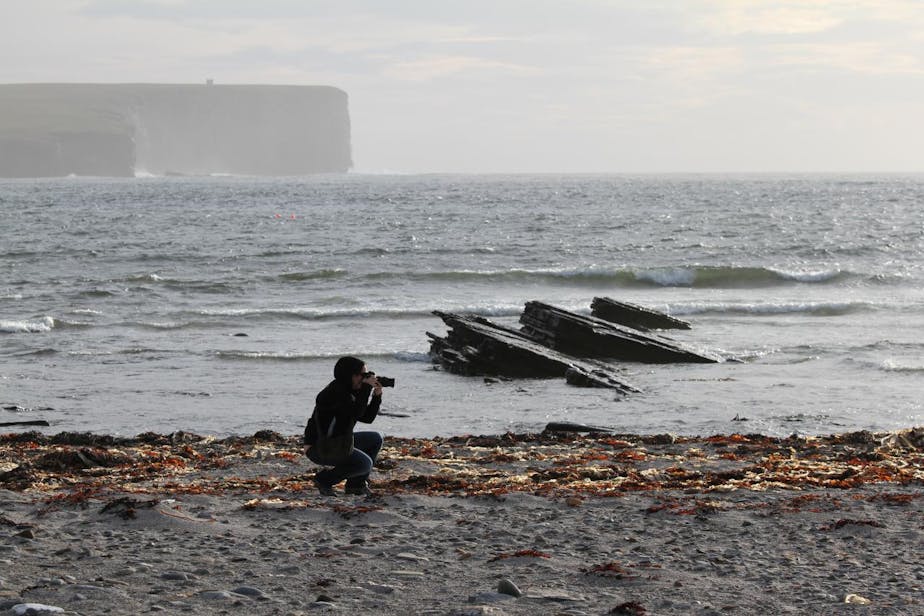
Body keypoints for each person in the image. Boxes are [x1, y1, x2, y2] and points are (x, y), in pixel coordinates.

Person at [304, 356, 383, 496]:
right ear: (351, 375)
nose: (364, 378)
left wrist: (376, 396)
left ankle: (355, 485)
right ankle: (324, 480)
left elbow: (367, 418)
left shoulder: (349, 390)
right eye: (362, 375)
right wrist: (365, 388)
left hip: (338, 440)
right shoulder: (334, 393)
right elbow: (356, 411)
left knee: (375, 439)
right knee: (364, 464)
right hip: (320, 447)